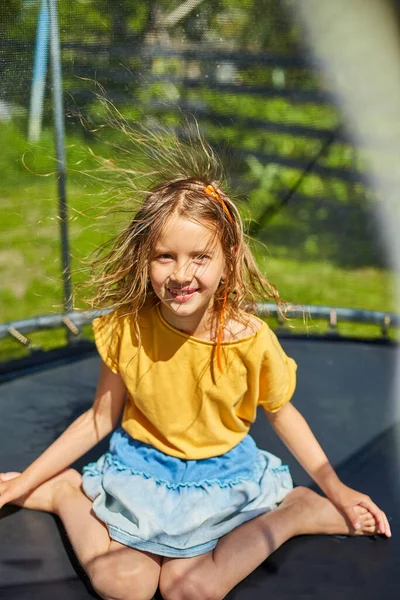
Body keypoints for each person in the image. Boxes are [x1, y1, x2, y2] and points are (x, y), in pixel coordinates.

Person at [0, 132, 391, 600]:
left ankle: (295, 513)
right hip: (140, 472)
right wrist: (27, 480)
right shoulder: (128, 328)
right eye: (165, 256)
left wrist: (337, 487)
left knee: (193, 589)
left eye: (199, 257)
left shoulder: (249, 340)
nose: (181, 275)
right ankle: (66, 492)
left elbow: (282, 412)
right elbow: (100, 417)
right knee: (125, 586)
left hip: (223, 478)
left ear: (227, 262)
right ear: (145, 260)